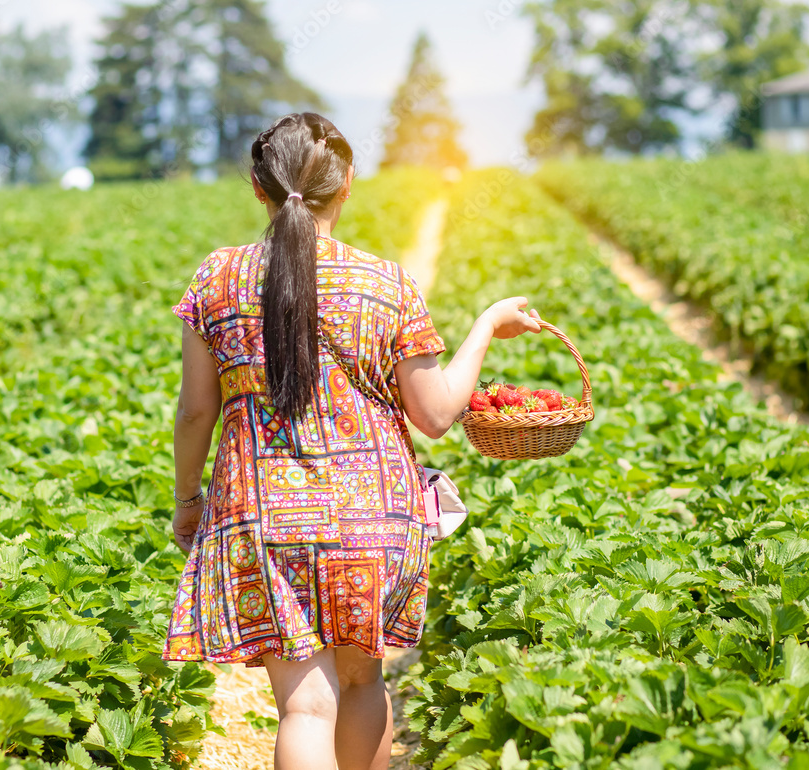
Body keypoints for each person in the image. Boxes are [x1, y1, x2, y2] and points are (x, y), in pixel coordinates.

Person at [160, 112, 540, 770]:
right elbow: (437, 414)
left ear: (259, 188)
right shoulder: (386, 284)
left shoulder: (216, 280)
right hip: (373, 518)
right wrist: (486, 325)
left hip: (261, 516)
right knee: (365, 684)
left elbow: (197, 413)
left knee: (305, 708)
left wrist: (188, 500)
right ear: (349, 185)